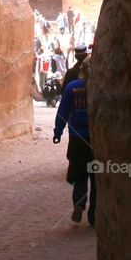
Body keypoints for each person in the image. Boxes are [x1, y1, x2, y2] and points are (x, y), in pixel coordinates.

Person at [53, 57, 96, 225]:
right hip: (95, 141)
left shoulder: (72, 88)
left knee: (80, 175)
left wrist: (58, 132)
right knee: (96, 178)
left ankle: (79, 204)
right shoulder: (98, 88)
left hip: (77, 139)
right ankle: (94, 214)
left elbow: (63, 112)